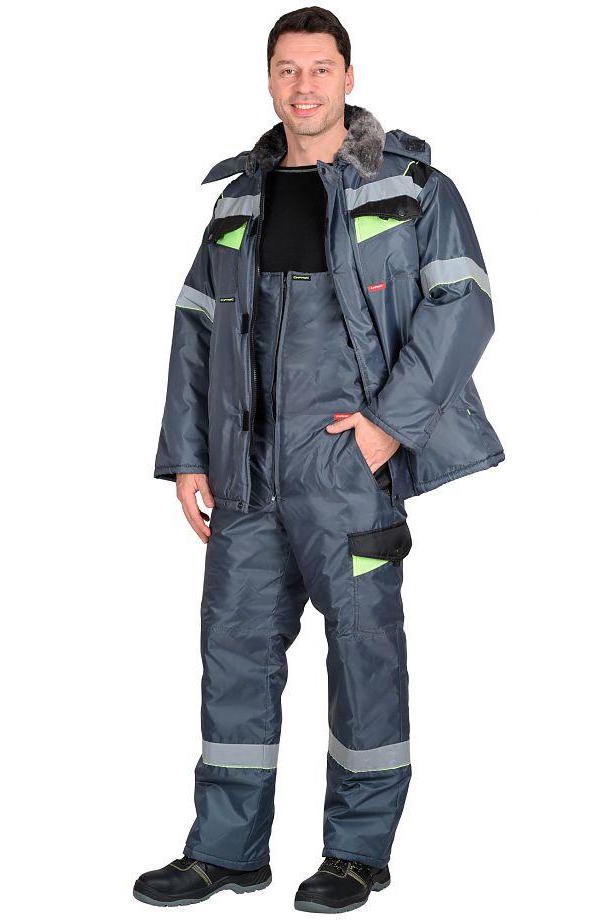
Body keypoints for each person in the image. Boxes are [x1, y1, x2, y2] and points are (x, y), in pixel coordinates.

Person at [134, 6, 504, 913]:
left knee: (365, 655)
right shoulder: (236, 200)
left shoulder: (412, 188)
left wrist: (386, 428)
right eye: (287, 70)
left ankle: (356, 854)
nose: (304, 86)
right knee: (234, 654)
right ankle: (225, 851)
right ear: (270, 81)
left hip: (348, 470)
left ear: (349, 76)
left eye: (320, 68)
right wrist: (189, 456)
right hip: (245, 472)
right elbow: (195, 332)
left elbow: (463, 308)